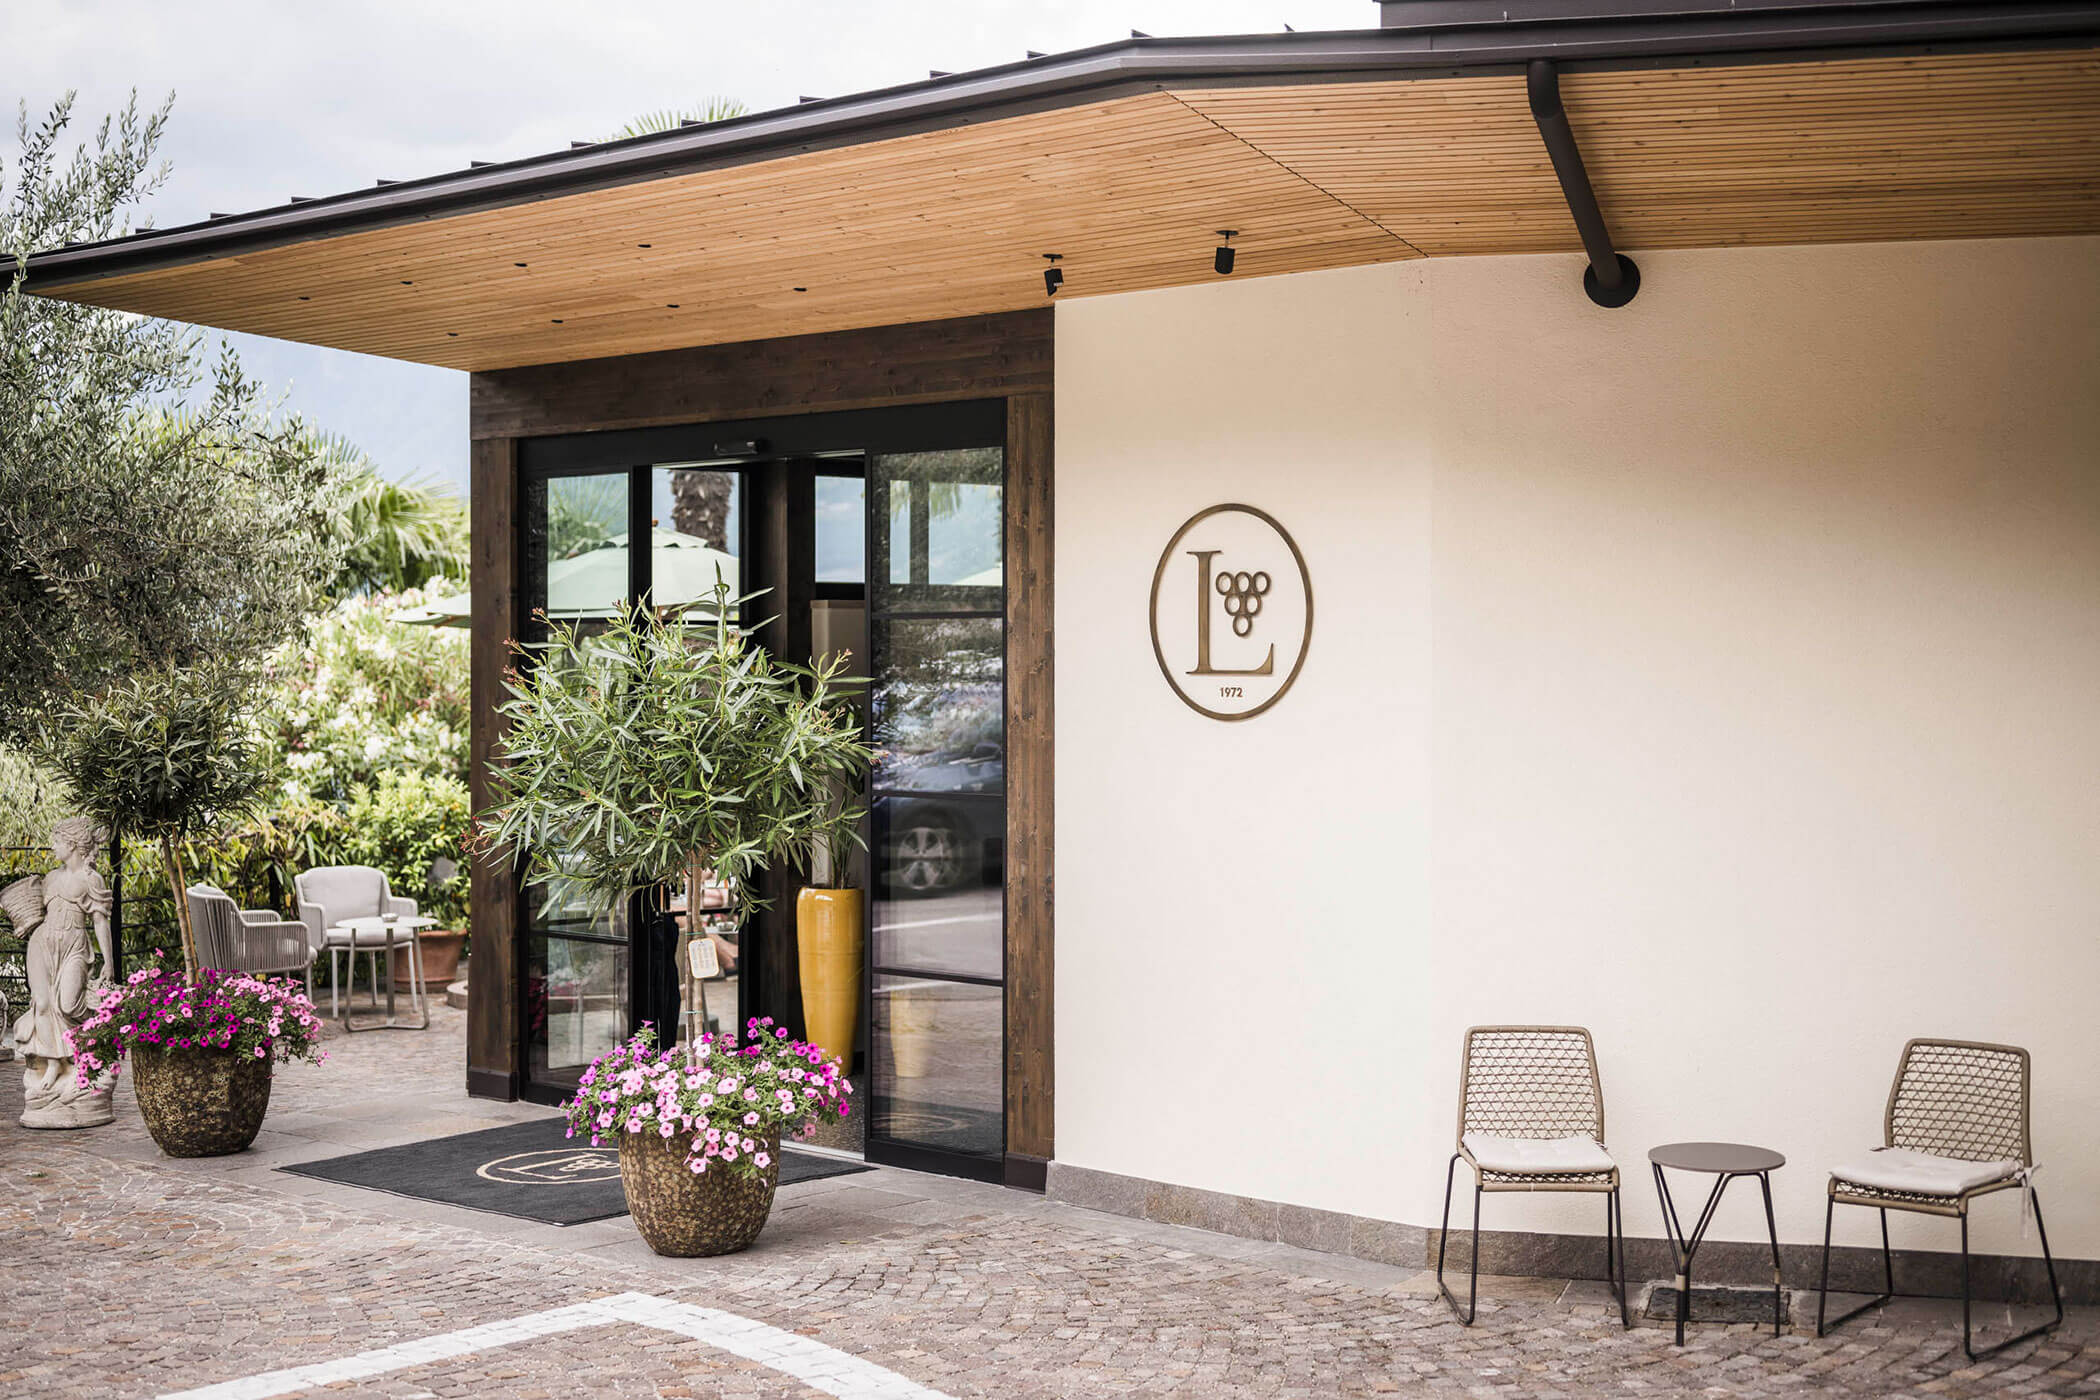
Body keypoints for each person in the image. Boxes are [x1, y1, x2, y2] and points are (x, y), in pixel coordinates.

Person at [15, 817, 115, 1118]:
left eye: (57, 841)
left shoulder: (90, 879)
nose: (53, 846)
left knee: (69, 1003)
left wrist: (109, 962)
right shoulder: (49, 878)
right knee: (43, 1004)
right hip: (42, 943)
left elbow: (100, 920)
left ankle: (95, 1039)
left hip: (73, 946)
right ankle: (55, 1062)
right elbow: (37, 914)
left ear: (72, 844)